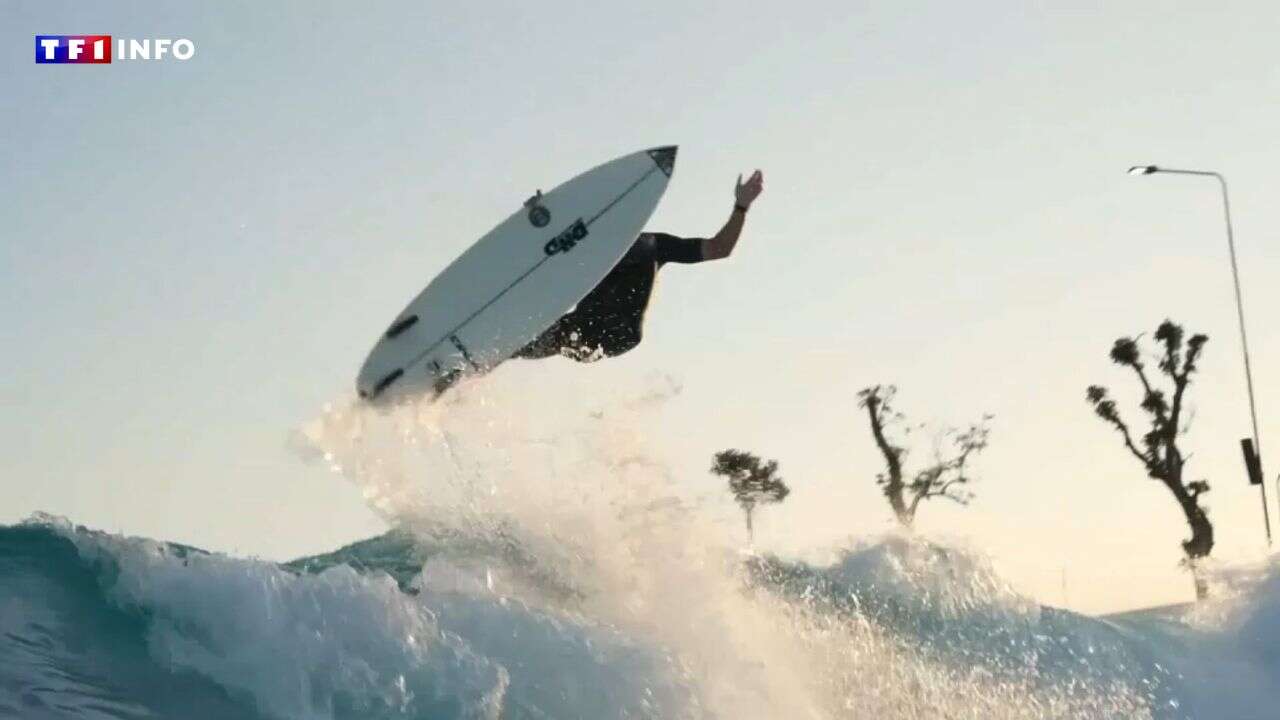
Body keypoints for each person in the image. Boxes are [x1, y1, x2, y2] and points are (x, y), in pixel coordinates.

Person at [513, 169, 764, 363]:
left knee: (564, 332)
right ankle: (492, 358)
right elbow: (543, 260)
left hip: (619, 333)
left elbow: (720, 248)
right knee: (551, 332)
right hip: (585, 324)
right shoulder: (585, 243)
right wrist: (540, 218)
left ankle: (504, 352)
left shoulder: (654, 244)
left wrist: (741, 206)